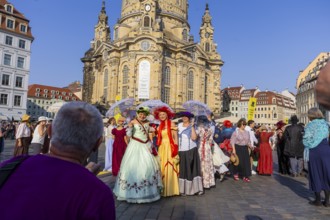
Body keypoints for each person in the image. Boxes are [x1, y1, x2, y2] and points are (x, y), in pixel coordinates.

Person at [0, 101, 116, 219]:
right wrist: (86, 180)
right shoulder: (97, 195)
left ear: (50, 131)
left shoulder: (10, 166)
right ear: (98, 143)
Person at [113, 106, 162, 203]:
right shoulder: (133, 122)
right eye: (140, 114)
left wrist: (152, 136)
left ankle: (146, 191)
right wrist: (130, 128)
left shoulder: (148, 123)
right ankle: (129, 192)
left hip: (145, 146)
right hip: (135, 146)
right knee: (132, 166)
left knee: (147, 166)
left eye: (144, 114)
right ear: (138, 114)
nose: (142, 116)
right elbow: (128, 136)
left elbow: (150, 134)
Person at [303, 107, 330, 207]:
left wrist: (309, 145)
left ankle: (318, 200)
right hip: (326, 150)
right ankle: (327, 201)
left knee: (316, 174)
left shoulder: (310, 125)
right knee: (327, 173)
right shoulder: (326, 124)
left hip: (315, 151)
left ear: (311, 115)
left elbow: (306, 139)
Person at [154, 106, 180, 196]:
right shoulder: (159, 126)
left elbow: (175, 137)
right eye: (160, 114)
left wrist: (176, 149)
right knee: (161, 166)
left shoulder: (171, 124)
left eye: (163, 114)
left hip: (169, 146)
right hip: (161, 147)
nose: (162, 116)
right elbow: (157, 138)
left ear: (167, 115)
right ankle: (163, 188)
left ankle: (171, 189)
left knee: (169, 164)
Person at [177, 111, 203, 195]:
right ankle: (183, 190)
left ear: (189, 118)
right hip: (181, 150)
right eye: (183, 116)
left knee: (192, 169)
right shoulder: (179, 126)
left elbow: (194, 138)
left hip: (191, 150)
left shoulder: (194, 126)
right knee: (183, 170)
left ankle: (195, 189)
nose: (184, 118)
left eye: (186, 117)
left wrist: (191, 127)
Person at [196, 115, 216, 189]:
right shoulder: (210, 129)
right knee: (207, 163)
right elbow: (211, 140)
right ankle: (208, 182)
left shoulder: (199, 129)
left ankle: (201, 182)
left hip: (200, 146)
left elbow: (195, 137)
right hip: (207, 147)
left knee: (201, 163)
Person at [230, 118, 252, 182]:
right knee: (238, 162)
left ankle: (245, 176)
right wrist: (234, 150)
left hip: (245, 148)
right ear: (240, 124)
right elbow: (232, 141)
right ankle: (236, 173)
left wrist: (251, 146)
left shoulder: (247, 132)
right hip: (238, 148)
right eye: (243, 124)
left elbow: (248, 141)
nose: (244, 125)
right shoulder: (236, 132)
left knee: (246, 163)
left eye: (245, 124)